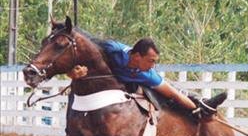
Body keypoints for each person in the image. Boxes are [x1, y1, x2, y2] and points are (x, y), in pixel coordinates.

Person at [71, 38, 224, 119]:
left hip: (126, 89)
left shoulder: (148, 74)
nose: (153, 66)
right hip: (97, 92)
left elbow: (173, 94)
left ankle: (201, 103)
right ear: (137, 56)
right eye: (151, 61)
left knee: (169, 97)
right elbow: (85, 47)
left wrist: (195, 109)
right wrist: (74, 70)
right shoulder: (113, 49)